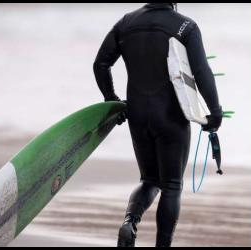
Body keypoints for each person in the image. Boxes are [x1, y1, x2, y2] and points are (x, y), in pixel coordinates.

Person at [93, 3, 222, 247]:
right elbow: (201, 69)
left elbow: (100, 64)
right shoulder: (186, 26)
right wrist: (214, 111)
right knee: (171, 185)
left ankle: (130, 222)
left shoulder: (125, 23)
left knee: (149, 180)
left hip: (138, 115)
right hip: (171, 116)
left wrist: (111, 99)